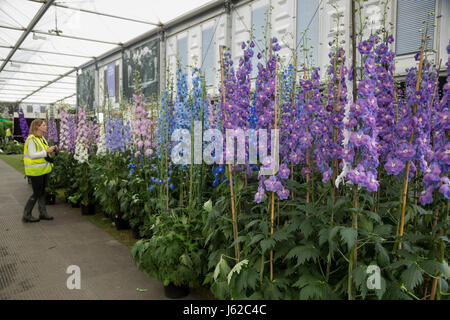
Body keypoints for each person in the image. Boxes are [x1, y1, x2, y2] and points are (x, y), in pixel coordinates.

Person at [22, 119, 56, 223]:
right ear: (37, 127)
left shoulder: (41, 139)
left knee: (41, 192)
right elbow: (32, 155)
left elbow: (43, 153)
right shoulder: (31, 140)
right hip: (35, 172)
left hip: (42, 170)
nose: (46, 127)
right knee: (36, 193)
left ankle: (43, 213)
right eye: (44, 125)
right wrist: (46, 151)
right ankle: (26, 215)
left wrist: (50, 150)